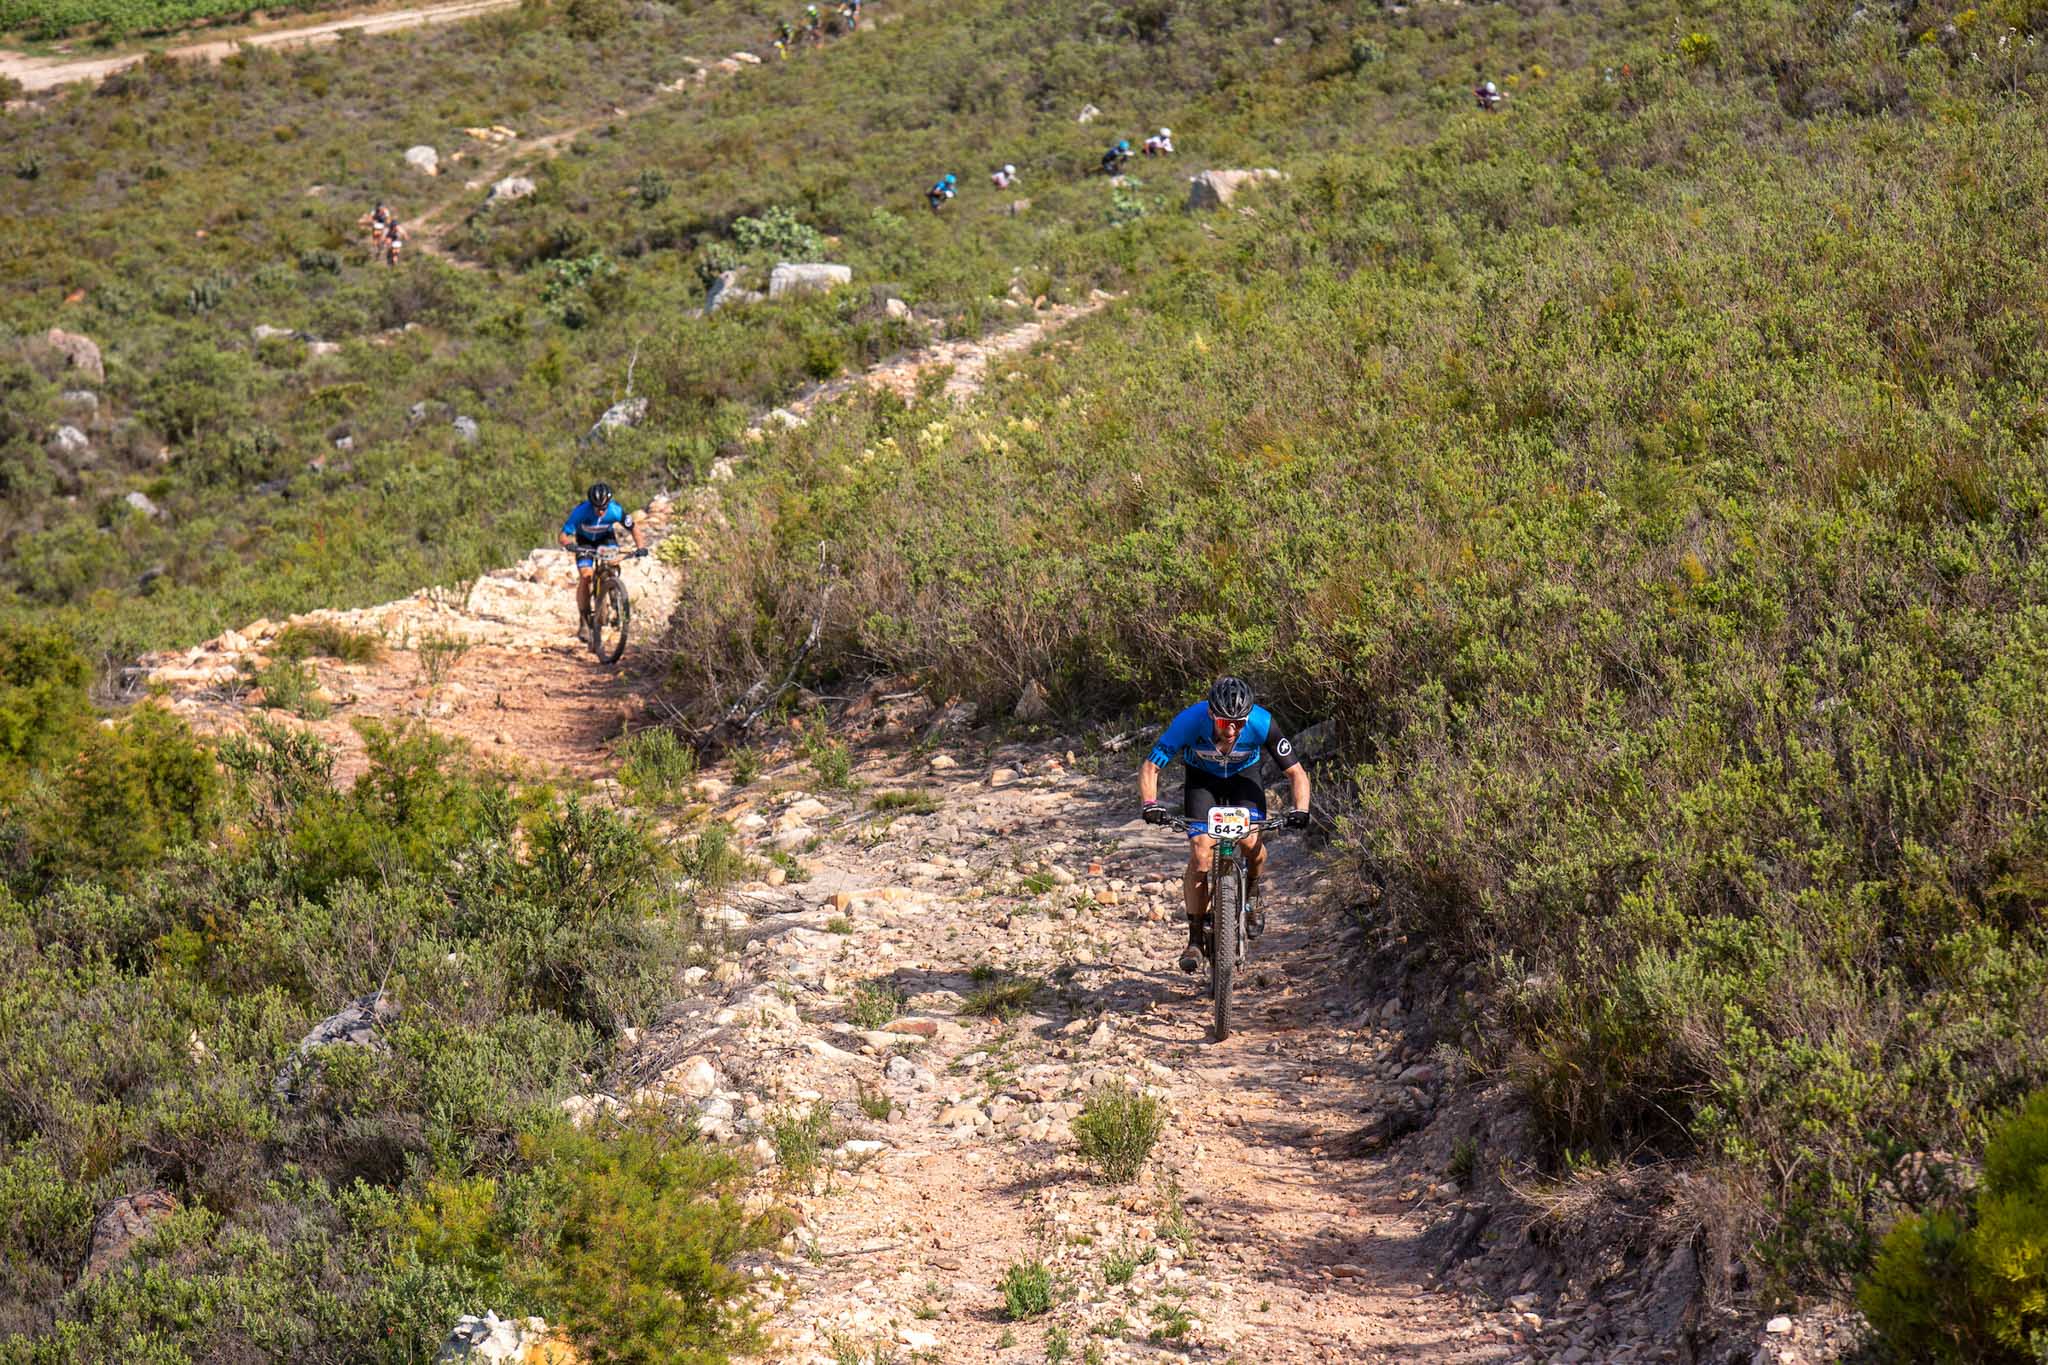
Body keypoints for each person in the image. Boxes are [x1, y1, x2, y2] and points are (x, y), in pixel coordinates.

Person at [1139, 676, 1311, 974]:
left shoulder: (1262, 722)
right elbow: (1151, 766)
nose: (1231, 730)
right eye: (1223, 722)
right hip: (1202, 781)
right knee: (1201, 851)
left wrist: (1301, 810)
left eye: (1239, 724)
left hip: (1244, 779)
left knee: (1250, 844)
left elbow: (1296, 773)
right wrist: (1150, 804)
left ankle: (1254, 892)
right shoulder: (1189, 720)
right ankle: (1195, 937)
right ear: (1210, 714)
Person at [559, 481, 649, 641]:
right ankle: (584, 620)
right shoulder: (581, 511)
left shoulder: (615, 510)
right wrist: (568, 545)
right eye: (597, 508)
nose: (601, 512)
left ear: (608, 504)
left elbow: (633, 527)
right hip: (584, 542)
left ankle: (614, 591)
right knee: (586, 577)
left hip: (605, 539)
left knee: (613, 562)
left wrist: (640, 547)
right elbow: (563, 535)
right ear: (591, 505)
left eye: (604, 508)